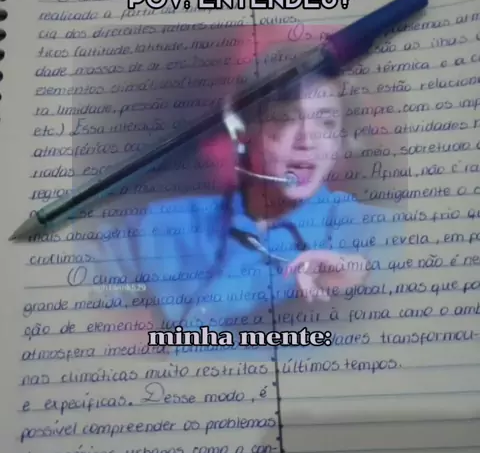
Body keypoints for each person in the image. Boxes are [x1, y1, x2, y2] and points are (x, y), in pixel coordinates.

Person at [88, 41, 396, 361]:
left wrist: (360, 273)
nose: (308, 141)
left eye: (327, 122)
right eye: (285, 118)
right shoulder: (160, 224)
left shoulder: (377, 229)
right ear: (243, 130)